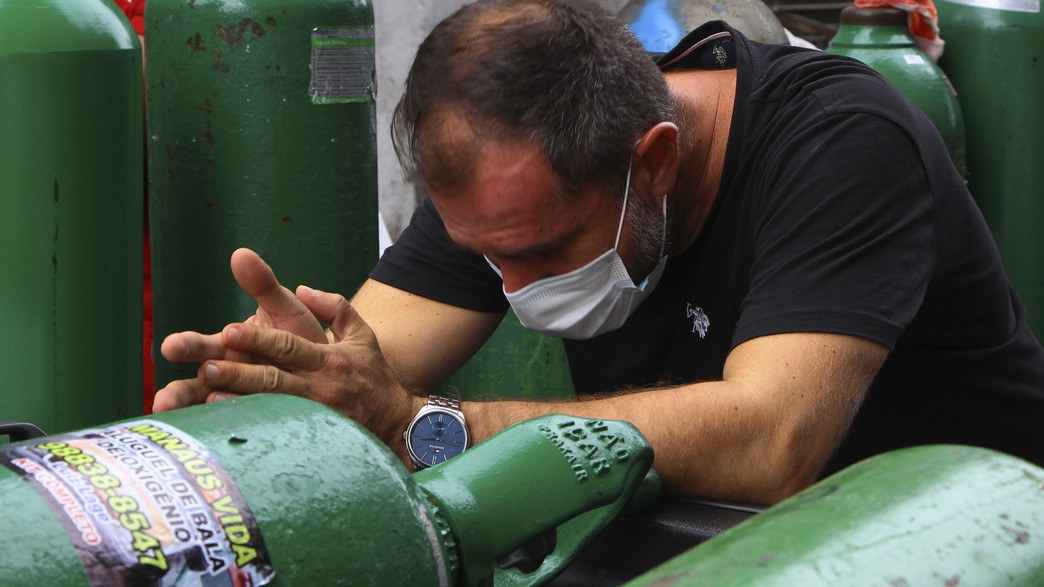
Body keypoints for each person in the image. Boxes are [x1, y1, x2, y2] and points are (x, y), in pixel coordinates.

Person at [154, 0, 1044, 505]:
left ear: (654, 161)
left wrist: (430, 425)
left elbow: (773, 439)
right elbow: (361, 378)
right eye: (485, 255)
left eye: (541, 251)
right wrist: (266, 401)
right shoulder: (510, 184)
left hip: (964, 528)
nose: (512, 285)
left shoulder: (841, 141)